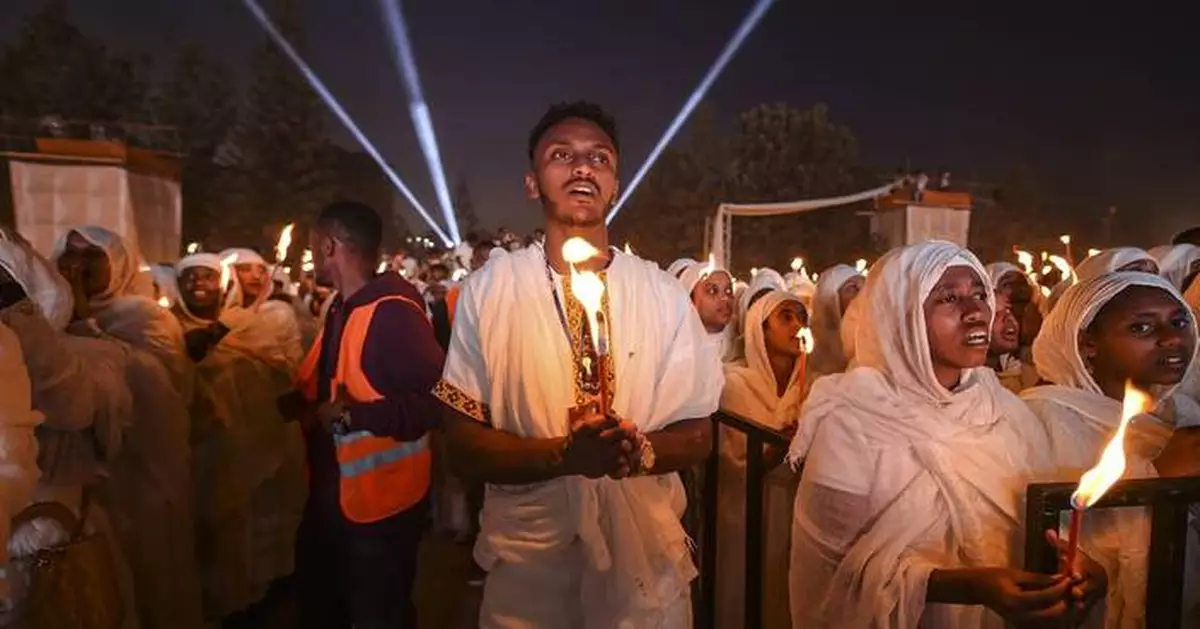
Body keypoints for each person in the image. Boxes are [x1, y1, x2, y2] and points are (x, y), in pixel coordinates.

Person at [434, 101, 722, 628]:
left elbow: (699, 433)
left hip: (645, 574)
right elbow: (463, 444)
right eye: (562, 155)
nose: (583, 168)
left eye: (600, 159)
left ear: (615, 185)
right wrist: (566, 457)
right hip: (530, 571)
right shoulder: (489, 292)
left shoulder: (662, 294)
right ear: (531, 182)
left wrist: (639, 452)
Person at [786, 241, 1106, 628]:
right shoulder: (853, 420)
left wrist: (1075, 565)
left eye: (979, 294)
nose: (975, 313)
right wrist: (966, 586)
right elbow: (834, 574)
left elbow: (1040, 521)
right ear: (901, 316)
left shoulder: (1006, 410)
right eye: (948, 298)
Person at [287, 200, 445, 629]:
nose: (311, 253)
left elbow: (439, 402)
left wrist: (349, 419)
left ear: (330, 245)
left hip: (380, 514)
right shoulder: (342, 308)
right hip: (336, 504)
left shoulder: (390, 313)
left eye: (313, 243)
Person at [1023, 272, 1200, 627]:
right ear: (1087, 343)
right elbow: (1046, 538)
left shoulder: (1184, 413)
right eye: (1142, 328)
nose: (1171, 339)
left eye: (1179, 321)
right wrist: (1157, 477)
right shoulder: (1043, 418)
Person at [716, 290, 807, 629]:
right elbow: (732, 465)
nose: (798, 324)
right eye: (786, 316)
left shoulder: (812, 390)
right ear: (760, 329)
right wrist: (779, 446)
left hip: (795, 516)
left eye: (802, 317)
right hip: (745, 515)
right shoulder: (733, 386)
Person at [806, 264, 863, 383]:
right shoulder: (813, 366)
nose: (863, 293)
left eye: (866, 285)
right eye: (852, 288)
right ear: (831, 302)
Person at [678, 260, 735, 358]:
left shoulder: (744, 349)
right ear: (690, 300)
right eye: (712, 291)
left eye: (728, 291)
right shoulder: (677, 353)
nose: (725, 298)